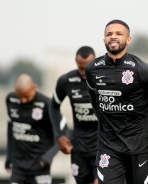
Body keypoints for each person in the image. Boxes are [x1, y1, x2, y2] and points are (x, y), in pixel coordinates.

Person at [85, 19, 148, 184]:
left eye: (118, 33)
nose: (113, 37)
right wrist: (103, 120)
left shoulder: (142, 69)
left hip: (138, 148)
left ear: (128, 39)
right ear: (104, 40)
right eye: (109, 34)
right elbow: (93, 96)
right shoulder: (92, 69)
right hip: (108, 147)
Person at [49, 46, 98, 184]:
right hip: (78, 146)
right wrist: (59, 134)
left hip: (102, 145)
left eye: (87, 68)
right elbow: (53, 106)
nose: (84, 73)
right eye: (80, 68)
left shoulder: (105, 80)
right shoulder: (66, 81)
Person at [5, 73, 59, 184]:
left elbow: (62, 135)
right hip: (18, 167)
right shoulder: (10, 99)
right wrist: (9, 156)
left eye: (26, 96)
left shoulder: (47, 104)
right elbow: (11, 129)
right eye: (20, 97)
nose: (23, 101)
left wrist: (48, 158)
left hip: (39, 168)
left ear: (34, 87)